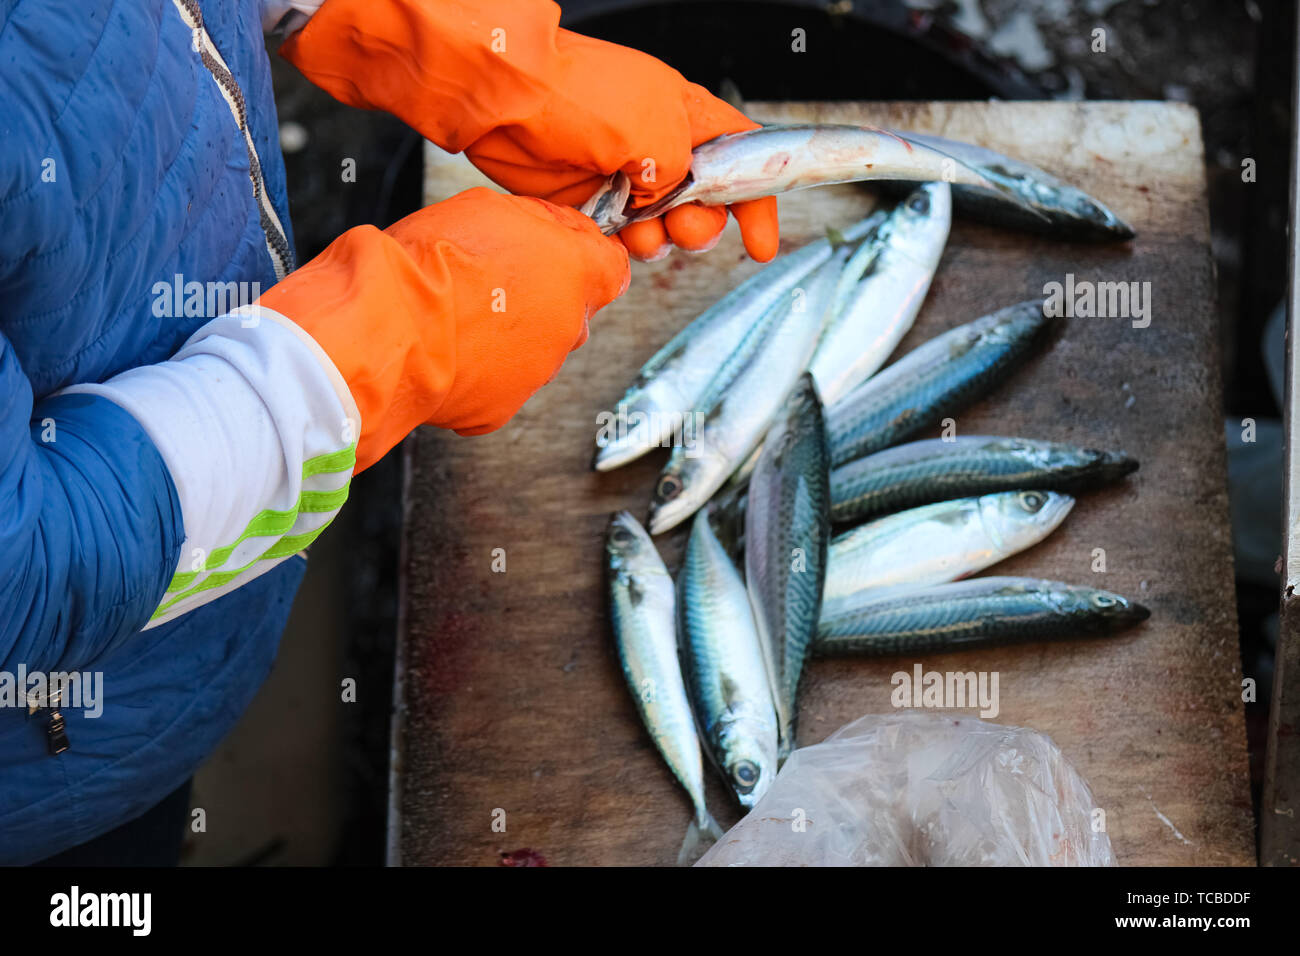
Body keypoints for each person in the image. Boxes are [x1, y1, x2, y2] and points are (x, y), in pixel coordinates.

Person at [0, 0, 779, 865]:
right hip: (55, 760)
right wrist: (372, 354)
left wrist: (419, 31)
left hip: (169, 661)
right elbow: (19, 573)